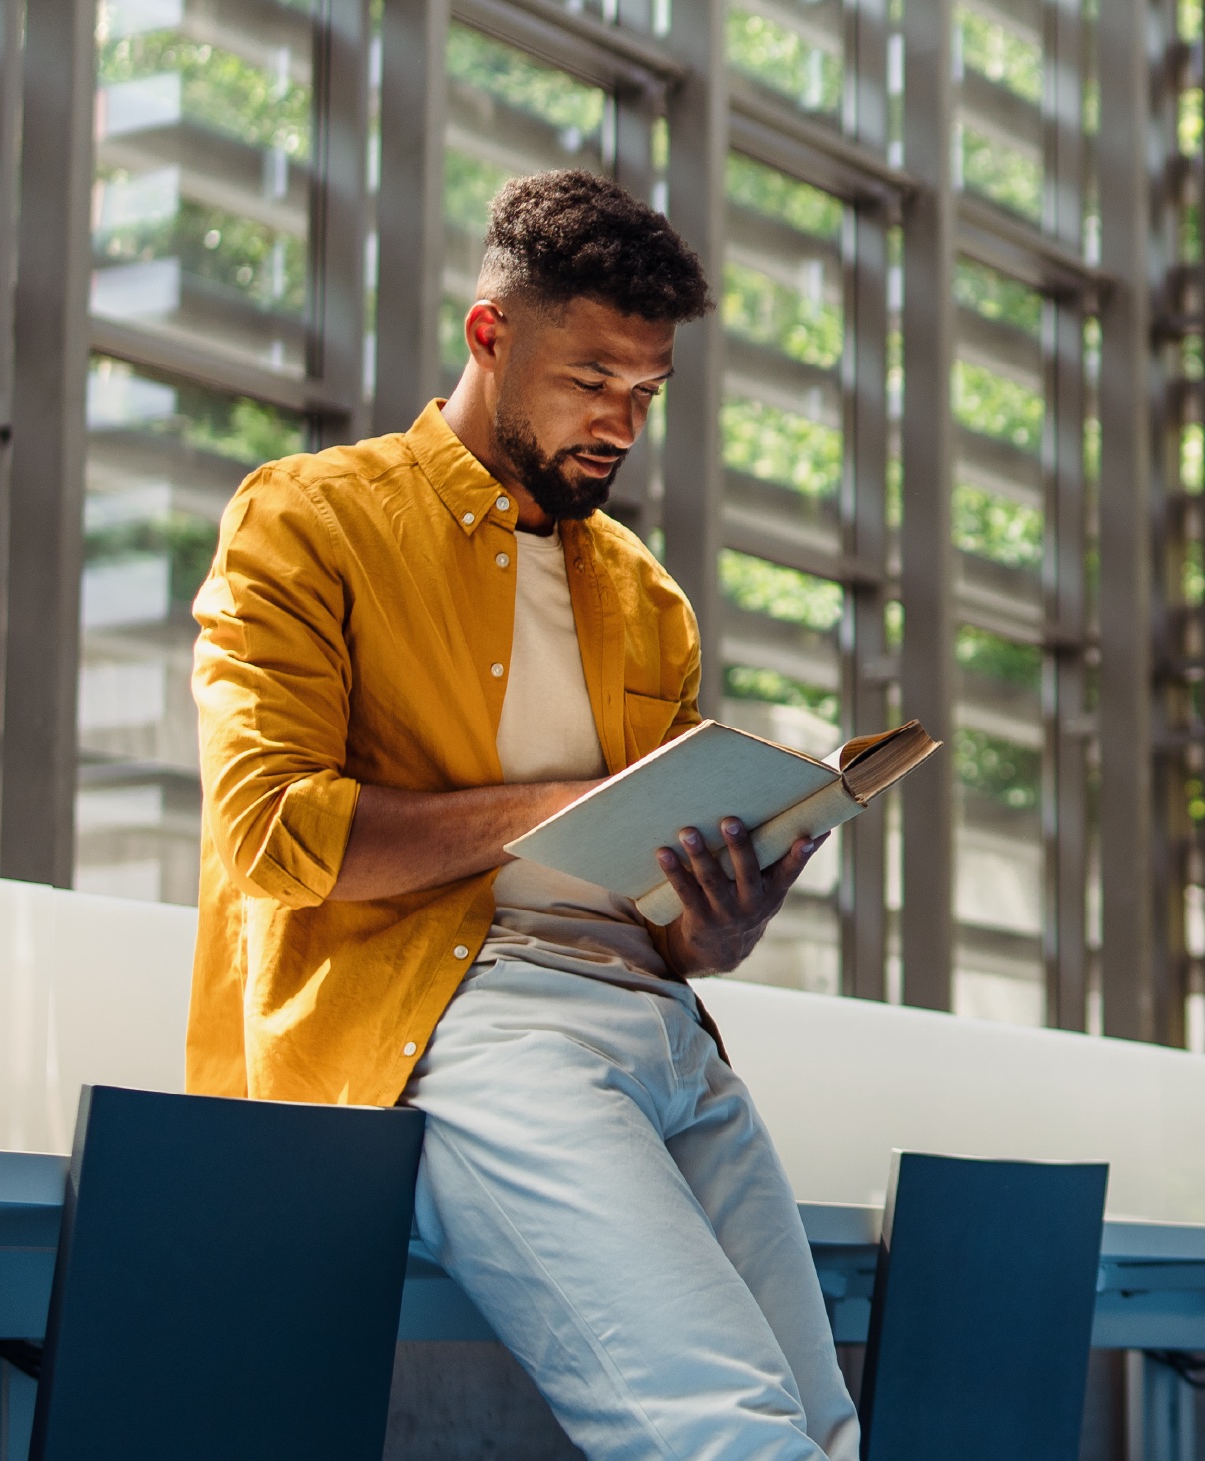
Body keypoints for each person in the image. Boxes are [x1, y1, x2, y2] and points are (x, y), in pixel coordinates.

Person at [188, 169, 860, 1461]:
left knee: (821, 1428)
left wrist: (718, 915)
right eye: (591, 379)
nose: (620, 422)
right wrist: (560, 805)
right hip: (468, 1034)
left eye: (646, 393)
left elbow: (664, 919)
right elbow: (269, 831)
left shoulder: (648, 602)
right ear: (489, 334)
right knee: (727, 1432)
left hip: (670, 1039)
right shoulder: (309, 521)